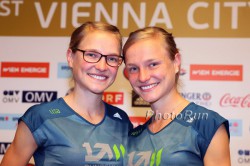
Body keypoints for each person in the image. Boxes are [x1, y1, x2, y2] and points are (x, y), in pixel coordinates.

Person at [0, 21, 133, 166]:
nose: (102, 66)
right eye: (92, 55)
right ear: (70, 57)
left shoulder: (122, 121)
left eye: (112, 58)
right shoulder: (40, 117)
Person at [123, 27, 230, 165]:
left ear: (176, 62)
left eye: (153, 64)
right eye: (133, 68)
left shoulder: (207, 125)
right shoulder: (133, 136)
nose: (143, 77)